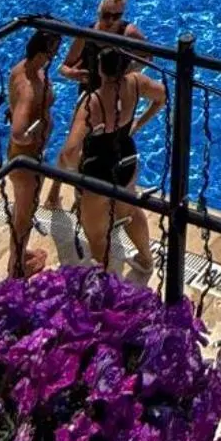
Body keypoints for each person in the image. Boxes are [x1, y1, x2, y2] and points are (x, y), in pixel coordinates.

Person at [58, 45, 166, 276]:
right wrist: (138, 122)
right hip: (127, 159)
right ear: (125, 66)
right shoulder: (137, 82)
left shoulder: (92, 102)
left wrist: (77, 172)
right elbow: (162, 97)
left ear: (99, 69)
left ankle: (107, 284)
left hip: (98, 170)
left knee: (96, 235)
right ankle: (146, 259)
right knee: (130, 212)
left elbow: (69, 152)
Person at [6, 30, 61, 277]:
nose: (56, 55)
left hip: (22, 158)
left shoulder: (22, 69)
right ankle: (17, 269)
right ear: (42, 53)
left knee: (21, 210)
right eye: (53, 51)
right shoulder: (29, 88)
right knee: (24, 216)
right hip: (27, 159)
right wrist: (35, 133)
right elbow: (18, 131)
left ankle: (19, 254)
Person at [61, 0, 145, 87]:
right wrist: (71, 74)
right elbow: (64, 67)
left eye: (116, 16)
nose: (111, 20)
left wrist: (130, 71)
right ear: (99, 12)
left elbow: (147, 56)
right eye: (106, 15)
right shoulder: (86, 35)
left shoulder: (129, 33)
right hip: (90, 90)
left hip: (118, 90)